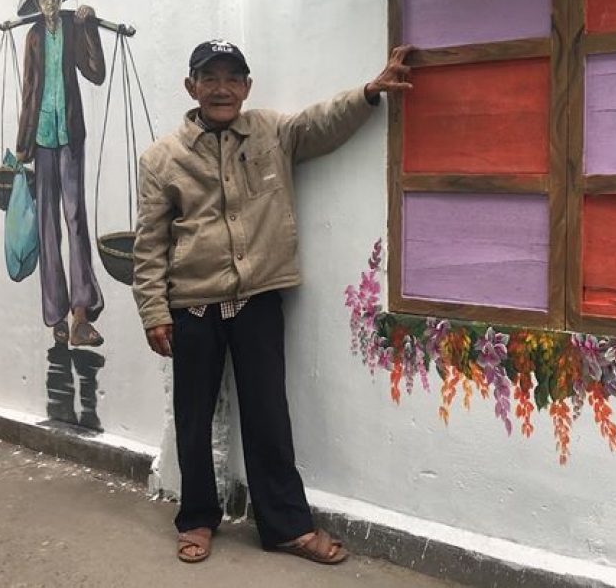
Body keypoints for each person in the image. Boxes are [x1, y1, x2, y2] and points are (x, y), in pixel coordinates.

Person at [132, 39, 412, 564]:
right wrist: (153, 310)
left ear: (247, 87)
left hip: (257, 302)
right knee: (192, 419)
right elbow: (149, 242)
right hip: (191, 307)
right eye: (209, 78)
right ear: (190, 87)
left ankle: (285, 525)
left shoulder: (271, 133)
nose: (221, 88)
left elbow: (320, 124)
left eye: (231, 78)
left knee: (268, 415)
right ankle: (196, 518)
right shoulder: (162, 158)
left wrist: (370, 93)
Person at [16, 0, 106, 348]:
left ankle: (82, 312)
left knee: (75, 218)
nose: (50, 2)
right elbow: (29, 92)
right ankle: (55, 312)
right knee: (47, 224)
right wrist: (22, 147)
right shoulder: (34, 37)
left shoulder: (71, 29)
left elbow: (95, 74)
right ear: (37, 2)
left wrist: (89, 29)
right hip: (42, 140)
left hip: (70, 135)